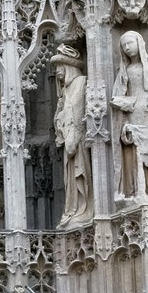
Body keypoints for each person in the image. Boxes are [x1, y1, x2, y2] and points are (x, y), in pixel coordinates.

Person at [111, 30, 148, 203]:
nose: (128, 48)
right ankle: (136, 191)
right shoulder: (125, 70)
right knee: (133, 152)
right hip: (131, 115)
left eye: (130, 43)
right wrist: (120, 102)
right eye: (124, 46)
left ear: (140, 43)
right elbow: (119, 90)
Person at [51, 46, 92, 227]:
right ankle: (73, 210)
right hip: (69, 142)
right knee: (70, 178)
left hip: (79, 141)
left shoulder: (81, 82)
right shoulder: (65, 92)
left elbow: (80, 112)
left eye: (60, 66)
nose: (57, 71)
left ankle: (84, 209)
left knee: (80, 174)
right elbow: (60, 120)